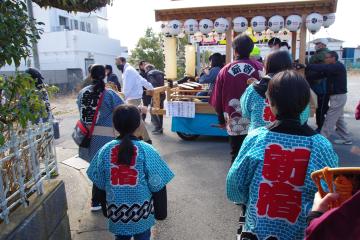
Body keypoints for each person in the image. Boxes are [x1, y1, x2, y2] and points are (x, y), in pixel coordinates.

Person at [226, 70, 339, 240]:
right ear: (306, 103)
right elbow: (333, 191)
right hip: (303, 232)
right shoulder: (321, 146)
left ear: (270, 102)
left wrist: (249, 199)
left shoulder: (256, 138)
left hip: (257, 231)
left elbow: (235, 187)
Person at [87, 104, 174, 240]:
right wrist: (161, 212)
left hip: (116, 211)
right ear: (138, 124)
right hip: (142, 212)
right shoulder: (147, 150)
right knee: (143, 236)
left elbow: (99, 181)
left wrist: (104, 207)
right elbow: (158, 184)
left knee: (120, 237)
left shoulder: (105, 150)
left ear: (115, 125)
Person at [77, 64, 124, 211]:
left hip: (87, 136)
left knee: (96, 167)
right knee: (108, 168)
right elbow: (122, 110)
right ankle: (107, 200)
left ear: (90, 75)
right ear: (104, 75)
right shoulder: (109, 94)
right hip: (105, 138)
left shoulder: (82, 93)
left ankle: (96, 201)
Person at [209, 34, 263, 162]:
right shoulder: (260, 67)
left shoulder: (225, 70)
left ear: (235, 50)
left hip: (234, 120)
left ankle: (236, 181)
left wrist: (221, 120)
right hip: (257, 121)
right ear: (251, 49)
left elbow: (218, 98)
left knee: (236, 155)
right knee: (256, 156)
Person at [241, 51, 310, 132]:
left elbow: (245, 114)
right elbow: (304, 117)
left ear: (266, 66)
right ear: (290, 65)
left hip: (258, 138)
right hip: (292, 137)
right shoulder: (298, 87)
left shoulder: (252, 89)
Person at [307, 51, 352, 145]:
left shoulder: (337, 66)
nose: (325, 59)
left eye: (327, 57)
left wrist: (307, 65)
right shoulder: (332, 68)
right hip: (337, 97)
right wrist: (305, 75)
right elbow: (319, 75)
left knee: (330, 118)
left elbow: (323, 68)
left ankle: (322, 139)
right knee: (339, 118)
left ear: (333, 58)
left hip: (338, 96)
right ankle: (347, 138)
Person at [115, 57, 153, 143]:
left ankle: (146, 139)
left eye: (117, 63)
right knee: (136, 118)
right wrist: (150, 87)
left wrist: (121, 99)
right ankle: (142, 138)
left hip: (132, 99)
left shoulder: (128, 71)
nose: (117, 65)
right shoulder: (129, 69)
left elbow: (127, 88)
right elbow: (142, 80)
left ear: (122, 61)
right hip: (134, 98)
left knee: (136, 119)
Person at [307, 38, 330, 132]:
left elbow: (314, 65)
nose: (316, 45)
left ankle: (321, 127)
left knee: (320, 107)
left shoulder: (323, 54)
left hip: (320, 84)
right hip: (319, 84)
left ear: (323, 44)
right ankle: (327, 125)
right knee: (323, 107)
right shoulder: (321, 54)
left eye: (317, 43)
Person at [145, 64, 166, 134]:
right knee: (160, 111)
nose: (145, 71)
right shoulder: (160, 72)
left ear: (148, 68)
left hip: (156, 94)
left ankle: (158, 127)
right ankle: (160, 127)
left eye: (145, 69)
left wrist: (150, 91)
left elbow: (153, 84)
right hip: (162, 93)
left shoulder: (150, 73)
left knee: (152, 110)